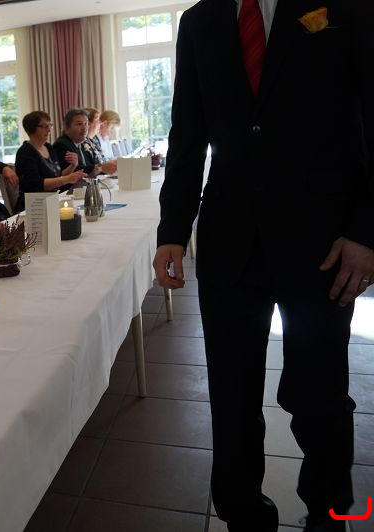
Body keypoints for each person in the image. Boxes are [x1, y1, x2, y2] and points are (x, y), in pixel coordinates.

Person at [153, 2, 374, 531]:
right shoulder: (199, 21)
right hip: (228, 242)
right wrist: (173, 230)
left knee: (319, 397)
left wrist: (366, 232)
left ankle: (330, 515)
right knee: (231, 400)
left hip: (323, 243)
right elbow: (187, 132)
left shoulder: (347, 5)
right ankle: (243, 517)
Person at [14, 110, 85, 212]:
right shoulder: (25, 152)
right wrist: (67, 179)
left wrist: (73, 166)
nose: (48, 130)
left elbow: (58, 176)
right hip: (34, 207)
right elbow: (36, 185)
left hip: (52, 201)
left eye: (50, 126)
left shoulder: (48, 147)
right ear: (32, 128)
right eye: (44, 126)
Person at [52, 108, 101, 180]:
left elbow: (91, 165)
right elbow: (78, 170)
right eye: (79, 124)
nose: (84, 128)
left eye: (86, 124)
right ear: (67, 128)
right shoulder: (61, 145)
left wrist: (102, 168)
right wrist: (102, 168)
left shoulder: (82, 144)